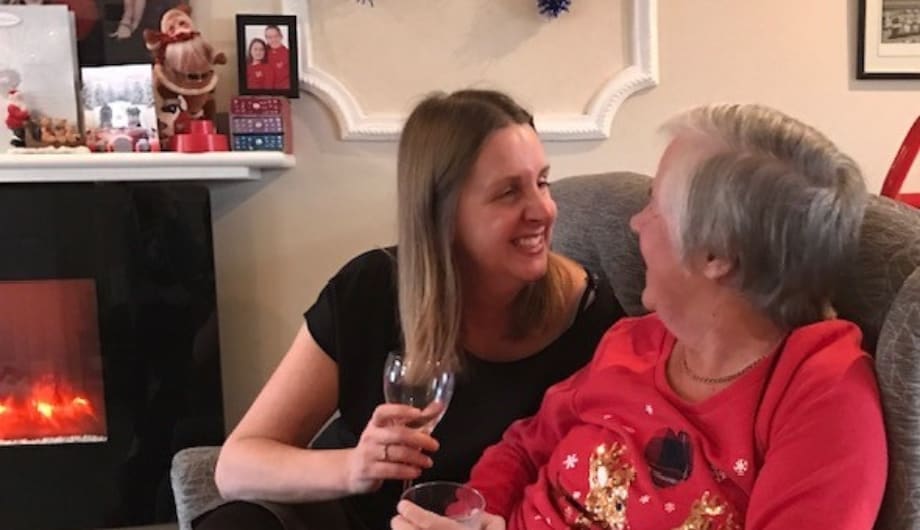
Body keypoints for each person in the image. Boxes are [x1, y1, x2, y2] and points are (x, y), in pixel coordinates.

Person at [392, 103, 888, 530]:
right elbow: (523, 446)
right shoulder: (634, 341)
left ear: (716, 254)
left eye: (655, 203)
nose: (635, 222)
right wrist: (477, 513)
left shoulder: (821, 396)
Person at [197, 89, 627, 530]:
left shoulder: (587, 314)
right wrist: (354, 467)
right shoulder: (371, 289)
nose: (543, 210)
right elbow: (236, 466)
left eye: (542, 182)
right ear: (443, 211)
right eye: (508, 192)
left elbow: (616, 481)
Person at [264, 24, 290, 90]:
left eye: (276, 36)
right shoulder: (262, 51)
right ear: (266, 39)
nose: (273, 40)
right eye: (269, 37)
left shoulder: (288, 54)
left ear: (281, 36)